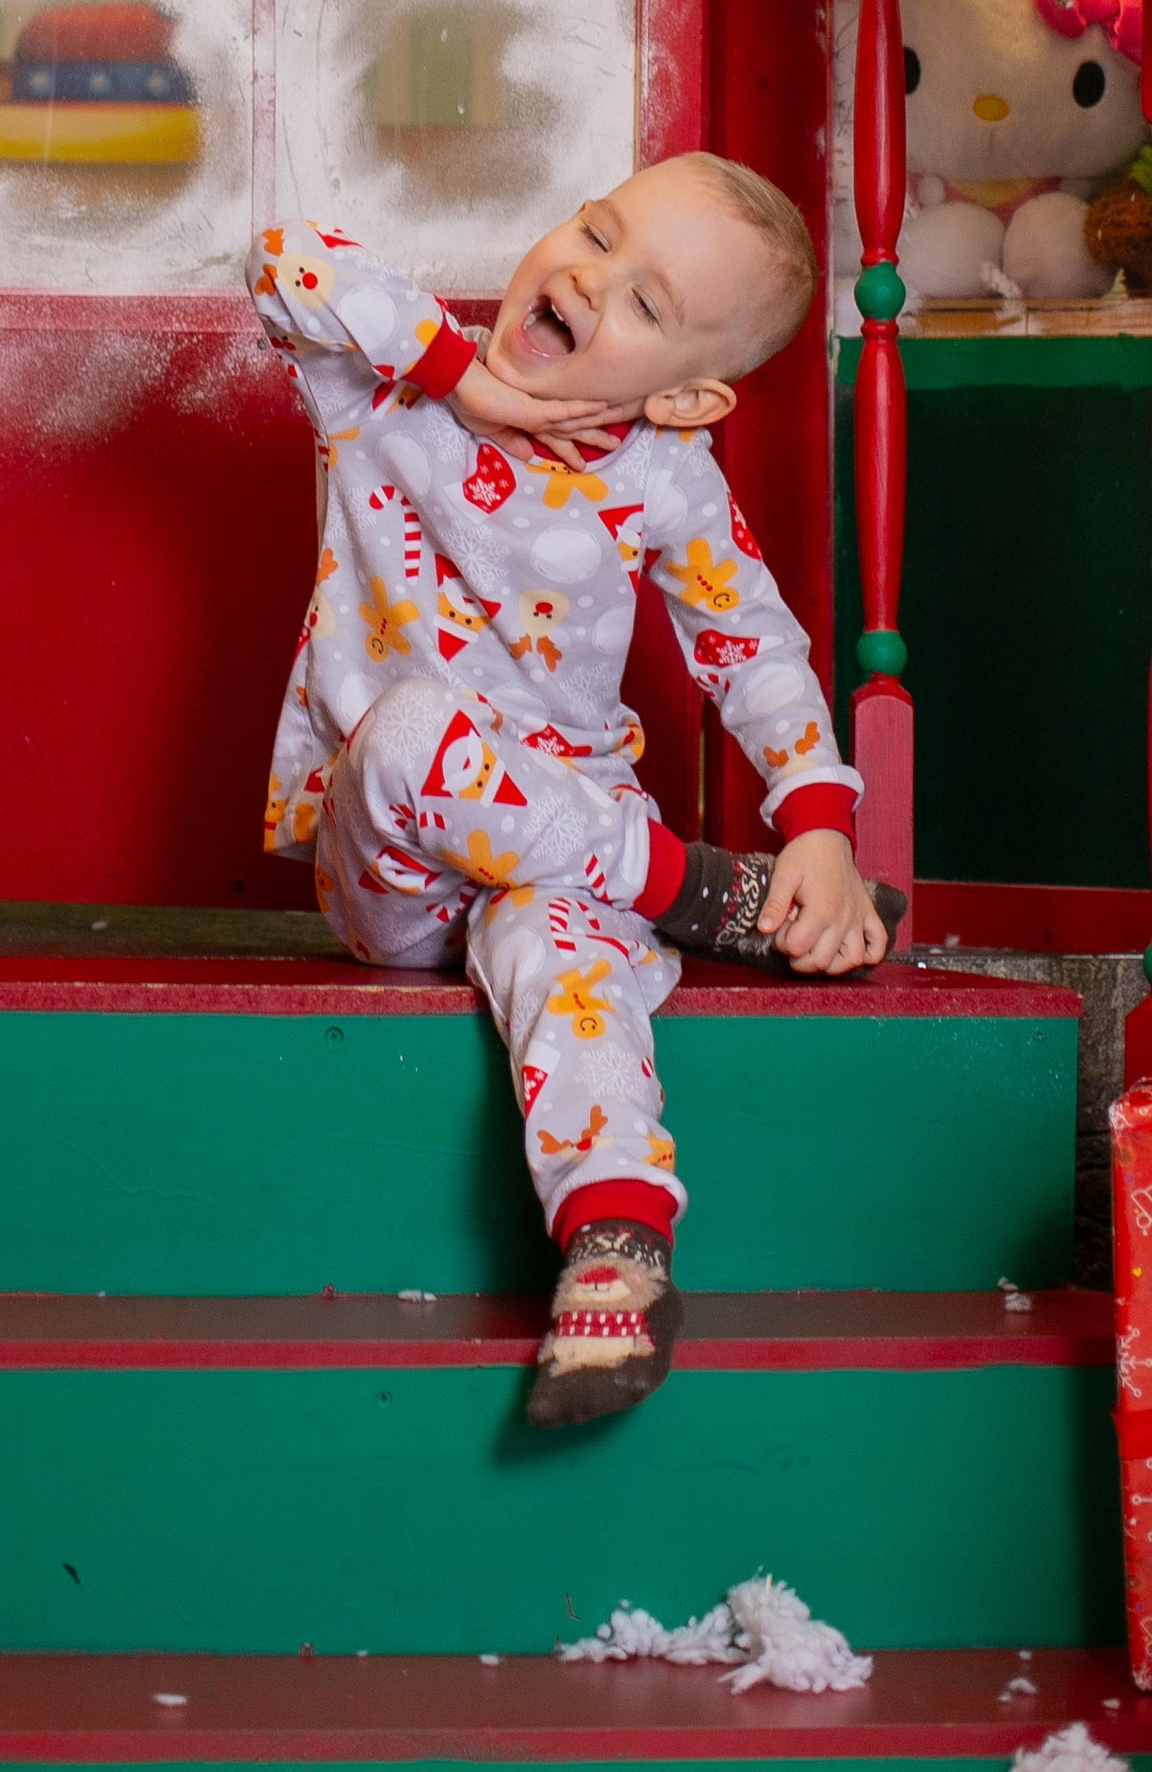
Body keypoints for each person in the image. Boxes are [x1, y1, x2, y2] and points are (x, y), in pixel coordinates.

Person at [251, 153, 885, 1433]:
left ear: (690, 394)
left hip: (565, 863)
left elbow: (749, 645)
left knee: (561, 958)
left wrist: (817, 818)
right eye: (595, 234)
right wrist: (459, 373)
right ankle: (697, 892)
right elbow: (282, 260)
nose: (591, 278)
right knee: (407, 732)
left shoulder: (663, 475)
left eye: (648, 306)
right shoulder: (384, 391)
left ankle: (616, 1257)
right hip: (392, 871)